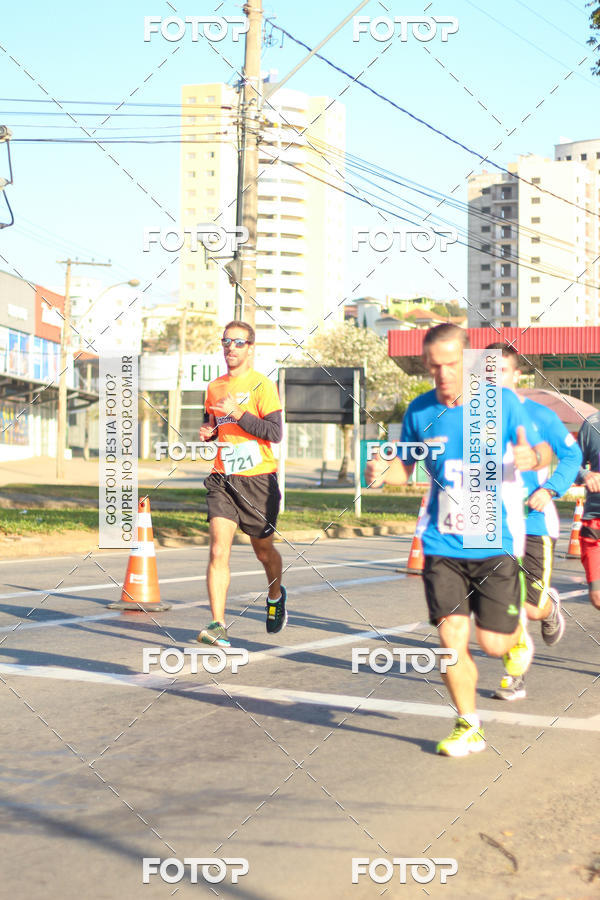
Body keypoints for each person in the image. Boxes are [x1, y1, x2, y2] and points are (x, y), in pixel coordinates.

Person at [365, 324, 552, 757]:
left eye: (452, 364)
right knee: (451, 640)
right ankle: (468, 724)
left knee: (493, 644)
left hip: (492, 541)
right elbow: (405, 469)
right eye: (435, 367)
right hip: (441, 544)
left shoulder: (501, 403)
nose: (444, 374)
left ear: (467, 361)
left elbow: (544, 451)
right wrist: (383, 472)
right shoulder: (419, 411)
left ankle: (516, 637)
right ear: (426, 365)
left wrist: (532, 457)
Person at [486, 343, 582, 701]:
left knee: (530, 606)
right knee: (505, 604)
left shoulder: (540, 416)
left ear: (517, 375)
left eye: (501, 372)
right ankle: (515, 676)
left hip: (534, 523)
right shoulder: (472, 419)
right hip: (492, 524)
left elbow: (572, 454)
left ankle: (549, 606)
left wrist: (551, 488)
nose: (493, 380)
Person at [197, 320, 287, 647]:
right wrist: (209, 434)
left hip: (258, 480)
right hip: (223, 478)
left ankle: (275, 595)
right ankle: (218, 624)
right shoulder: (214, 387)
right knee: (218, 549)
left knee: (263, 551)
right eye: (226, 342)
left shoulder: (262, 385)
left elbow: (274, 433)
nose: (230, 348)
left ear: (250, 348)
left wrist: (239, 414)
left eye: (238, 342)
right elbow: (213, 425)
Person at [576, 410, 600, 612]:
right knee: (597, 597)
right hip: (595, 521)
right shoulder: (592, 425)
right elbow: (572, 464)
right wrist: (585, 474)